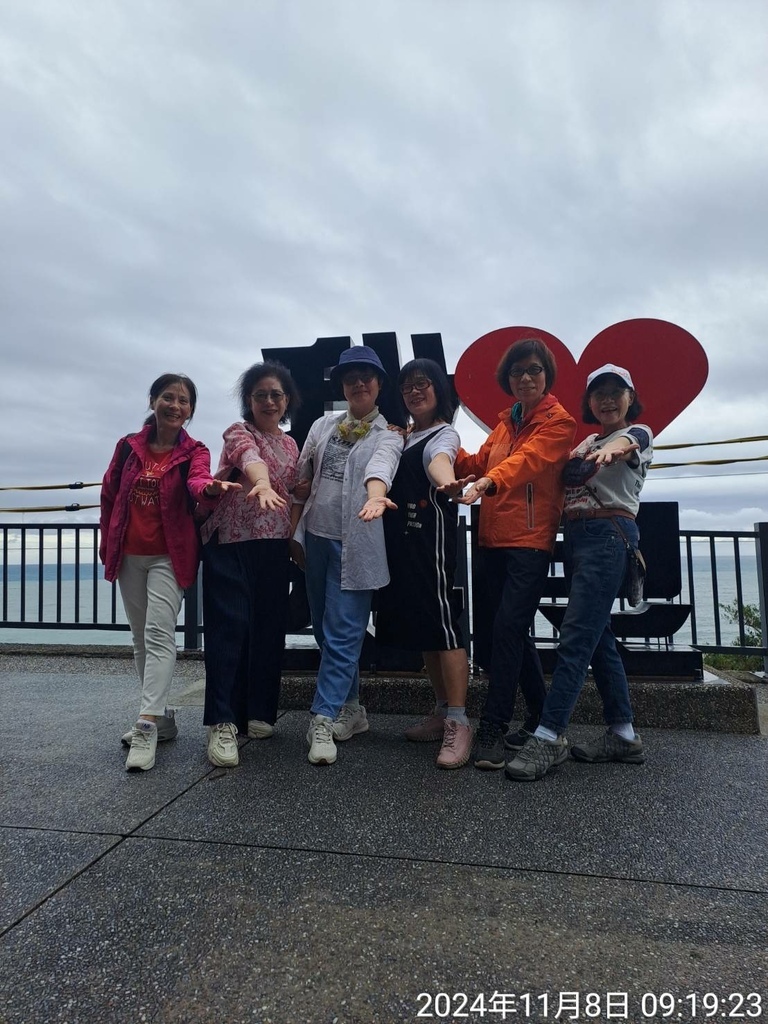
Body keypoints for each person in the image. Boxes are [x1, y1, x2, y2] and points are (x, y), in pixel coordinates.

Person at [506, 363, 653, 781]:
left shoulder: (639, 434)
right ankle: (623, 734)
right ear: (589, 401)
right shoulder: (587, 441)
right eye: (598, 394)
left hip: (608, 536)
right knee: (597, 636)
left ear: (629, 398)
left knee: (574, 637)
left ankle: (549, 735)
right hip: (576, 537)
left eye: (615, 393)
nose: (607, 400)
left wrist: (616, 448)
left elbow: (631, 440)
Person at [446, 338, 576, 771]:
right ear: (508, 378)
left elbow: (527, 462)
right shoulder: (504, 425)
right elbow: (475, 463)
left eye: (534, 369)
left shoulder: (559, 423)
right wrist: (432, 438)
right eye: (517, 371)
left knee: (507, 630)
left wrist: (488, 482)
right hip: (491, 539)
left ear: (547, 375)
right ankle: (540, 717)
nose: (525, 378)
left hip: (530, 542)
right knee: (511, 632)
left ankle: (494, 725)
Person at [100, 373, 240, 772]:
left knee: (159, 634)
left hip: (168, 554)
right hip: (129, 553)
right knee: (140, 639)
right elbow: (109, 495)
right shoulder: (128, 447)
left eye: (183, 400)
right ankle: (161, 719)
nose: (175, 405)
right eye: (168, 397)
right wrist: (107, 546)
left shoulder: (195, 450)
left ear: (191, 410)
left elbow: (198, 480)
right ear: (153, 401)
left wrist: (209, 490)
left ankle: (145, 725)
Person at [291, 346, 403, 766]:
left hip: (356, 543)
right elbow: (302, 477)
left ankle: (321, 718)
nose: (358, 383)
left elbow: (381, 467)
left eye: (366, 377)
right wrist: (292, 534)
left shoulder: (389, 434)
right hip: (315, 538)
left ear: (378, 385)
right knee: (325, 631)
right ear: (341, 385)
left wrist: (376, 496)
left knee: (343, 633)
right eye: (350, 377)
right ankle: (352, 708)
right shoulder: (323, 425)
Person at [199, 362, 302, 768]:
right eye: (261, 395)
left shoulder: (291, 444)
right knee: (230, 629)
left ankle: (259, 710)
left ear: (287, 400)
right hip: (231, 541)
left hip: (273, 544)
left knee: (267, 629)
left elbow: (294, 487)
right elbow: (251, 459)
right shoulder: (238, 433)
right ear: (249, 400)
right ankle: (222, 721)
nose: (269, 401)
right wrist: (260, 481)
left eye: (276, 394)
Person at [375, 359, 473, 769]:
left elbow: (439, 459)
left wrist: (445, 480)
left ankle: (459, 721)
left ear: (438, 389)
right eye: (407, 387)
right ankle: (441, 710)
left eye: (423, 384)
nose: (415, 392)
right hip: (403, 543)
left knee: (445, 626)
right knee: (427, 630)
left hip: (431, 542)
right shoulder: (404, 435)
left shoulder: (444, 434)